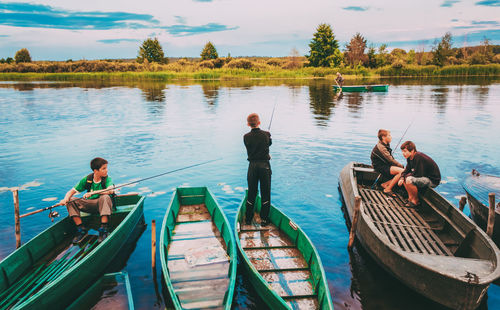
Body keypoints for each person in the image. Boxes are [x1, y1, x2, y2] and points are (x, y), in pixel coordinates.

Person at [59, 157, 115, 243]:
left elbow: (110, 190)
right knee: (71, 200)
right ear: (96, 171)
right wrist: (65, 199)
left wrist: (93, 193)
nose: (106, 170)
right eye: (104, 168)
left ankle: (103, 229)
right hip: (89, 204)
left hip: (102, 204)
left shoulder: (107, 179)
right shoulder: (87, 179)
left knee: (105, 197)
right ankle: (81, 229)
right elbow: (71, 191)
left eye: (106, 168)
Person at [244, 113, 272, 226]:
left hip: (252, 167)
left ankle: (248, 219)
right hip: (264, 166)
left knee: (252, 192)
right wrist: (268, 136)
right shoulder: (266, 134)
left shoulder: (245, 137)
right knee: (265, 193)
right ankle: (264, 220)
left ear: (248, 124)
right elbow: (269, 143)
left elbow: (251, 147)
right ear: (259, 122)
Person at [398, 141, 441, 208]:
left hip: (432, 180)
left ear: (412, 151)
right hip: (423, 177)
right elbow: (406, 170)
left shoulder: (419, 157)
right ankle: (410, 199)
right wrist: (402, 177)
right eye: (402, 151)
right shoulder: (409, 158)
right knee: (405, 178)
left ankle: (415, 201)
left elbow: (419, 174)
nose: (403, 153)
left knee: (409, 179)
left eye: (405, 151)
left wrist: (406, 177)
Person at [370, 129, 404, 197]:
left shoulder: (384, 144)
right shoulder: (381, 148)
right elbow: (390, 160)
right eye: (389, 135)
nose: (391, 137)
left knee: (402, 171)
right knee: (402, 172)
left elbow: (390, 159)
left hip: (385, 165)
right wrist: (401, 166)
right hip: (380, 167)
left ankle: (385, 184)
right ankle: (387, 188)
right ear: (383, 137)